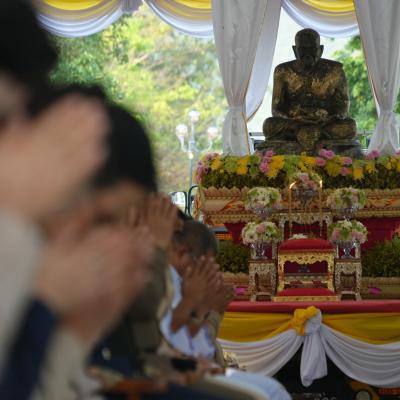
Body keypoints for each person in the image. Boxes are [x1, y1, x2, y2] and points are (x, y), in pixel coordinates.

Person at [262, 28, 356, 153]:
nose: (307, 54)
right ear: (295, 50)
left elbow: (343, 106)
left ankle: (314, 133)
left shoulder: (335, 70)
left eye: (312, 49)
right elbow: (276, 109)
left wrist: (329, 119)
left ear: (321, 49)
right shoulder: (282, 71)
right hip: (294, 123)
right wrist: (294, 121)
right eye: (303, 49)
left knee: (350, 126)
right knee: (268, 125)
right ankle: (307, 132)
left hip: (325, 123)